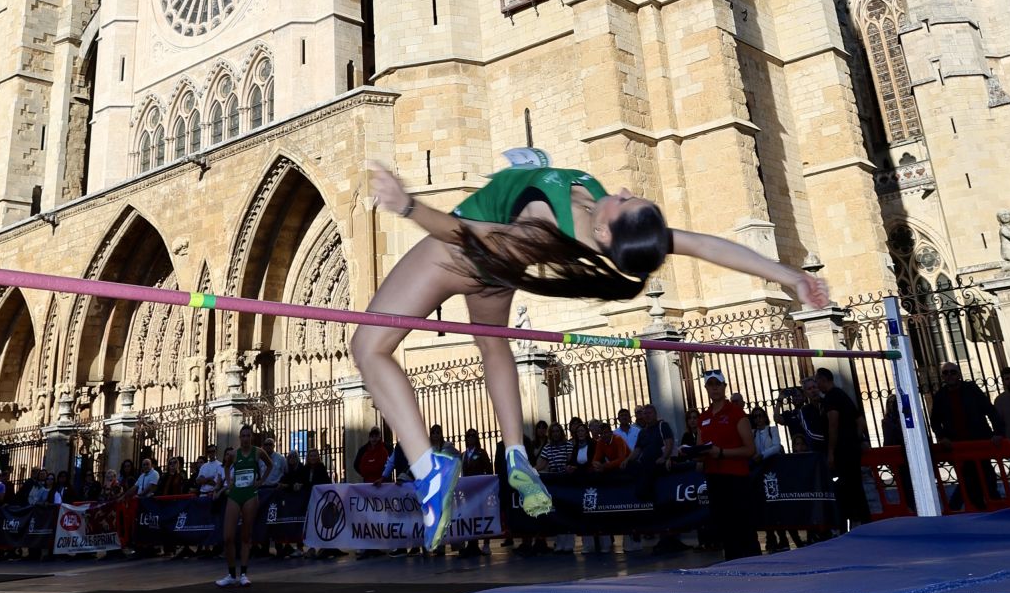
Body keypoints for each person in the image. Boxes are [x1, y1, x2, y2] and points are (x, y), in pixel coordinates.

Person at [354, 159, 828, 552]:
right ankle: (517, 456)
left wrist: (409, 205)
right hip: (496, 277)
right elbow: (704, 244)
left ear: (604, 230)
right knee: (493, 345)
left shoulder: (549, 225)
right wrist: (788, 275)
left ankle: (426, 468)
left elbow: (464, 233)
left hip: (456, 257)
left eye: (624, 200)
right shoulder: (616, 227)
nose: (621, 189)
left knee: (368, 347)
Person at [695, 370, 760, 558]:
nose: (714, 388)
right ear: (706, 388)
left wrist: (721, 453)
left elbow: (750, 449)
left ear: (724, 386)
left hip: (736, 477)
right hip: (715, 478)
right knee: (724, 526)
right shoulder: (703, 417)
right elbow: (700, 449)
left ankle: (754, 566)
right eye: (710, 385)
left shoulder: (736, 413)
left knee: (743, 526)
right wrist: (692, 453)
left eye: (718, 384)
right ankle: (733, 565)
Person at [930, 362, 1001, 510]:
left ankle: (996, 507)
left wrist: (998, 433)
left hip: (979, 442)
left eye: (953, 372)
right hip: (957, 446)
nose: (949, 375)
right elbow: (935, 421)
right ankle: (978, 509)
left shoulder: (972, 389)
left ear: (959, 374)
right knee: (968, 482)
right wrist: (942, 437)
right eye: (946, 373)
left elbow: (990, 410)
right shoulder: (940, 396)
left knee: (988, 478)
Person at [215, 424, 272, 588]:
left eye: (248, 435)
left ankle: (244, 574)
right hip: (235, 494)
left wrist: (261, 481)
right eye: (243, 436)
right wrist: (229, 482)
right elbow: (225, 467)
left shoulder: (258, 452)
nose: (246, 438)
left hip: (250, 495)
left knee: (246, 536)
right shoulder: (233, 454)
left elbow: (269, 465)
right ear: (240, 438)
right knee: (228, 537)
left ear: (251, 437)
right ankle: (231, 574)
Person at [814, 367, 869, 528]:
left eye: (817, 380)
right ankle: (862, 519)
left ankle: (855, 520)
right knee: (856, 485)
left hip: (842, 451)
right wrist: (856, 440)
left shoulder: (831, 398)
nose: (816, 384)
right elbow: (860, 421)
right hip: (851, 448)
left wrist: (831, 451)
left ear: (823, 380)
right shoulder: (842, 395)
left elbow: (833, 424)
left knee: (847, 486)